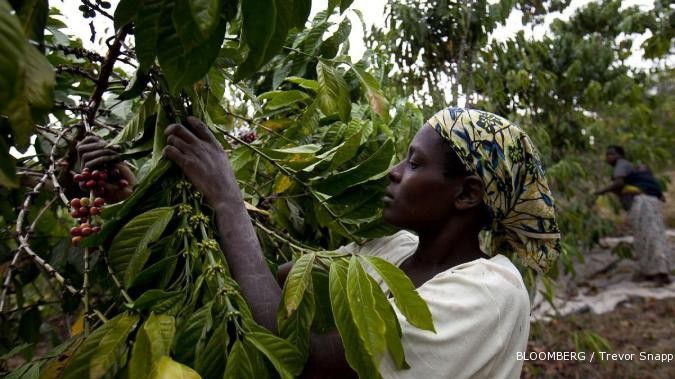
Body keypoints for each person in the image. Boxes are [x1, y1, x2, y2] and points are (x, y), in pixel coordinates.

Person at [78, 108, 561, 378]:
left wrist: (228, 198)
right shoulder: (389, 252)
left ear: (466, 194)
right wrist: (138, 196)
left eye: (415, 163)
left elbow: (309, 365)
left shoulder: (489, 293)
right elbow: (264, 289)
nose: (394, 172)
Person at [594, 145, 671, 285]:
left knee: (650, 238)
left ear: (620, 155)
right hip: (650, 203)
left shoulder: (621, 165)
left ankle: (661, 274)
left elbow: (618, 183)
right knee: (647, 238)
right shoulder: (633, 171)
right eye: (607, 155)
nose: (608, 157)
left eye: (611, 154)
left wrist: (600, 192)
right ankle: (652, 272)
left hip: (643, 203)